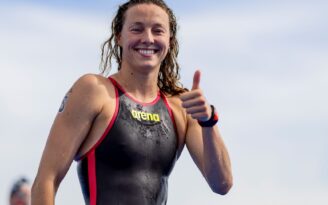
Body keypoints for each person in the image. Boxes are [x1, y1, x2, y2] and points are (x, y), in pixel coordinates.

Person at [32, 0, 233, 204]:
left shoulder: (180, 106)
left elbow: (222, 184)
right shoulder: (94, 91)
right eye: (137, 29)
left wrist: (208, 121)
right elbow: (46, 180)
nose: (147, 38)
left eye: (157, 31)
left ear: (170, 40)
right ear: (119, 36)